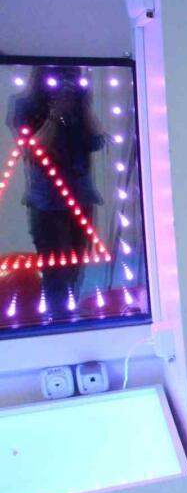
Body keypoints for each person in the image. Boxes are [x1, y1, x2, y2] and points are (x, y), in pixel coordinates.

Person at [5, 65, 105, 318]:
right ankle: (57, 319)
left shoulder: (78, 107)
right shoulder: (24, 105)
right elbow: (32, 151)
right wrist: (54, 115)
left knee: (76, 264)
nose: (64, 84)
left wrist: (85, 104)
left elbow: (97, 141)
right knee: (55, 270)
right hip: (48, 203)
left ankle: (69, 312)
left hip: (81, 197)